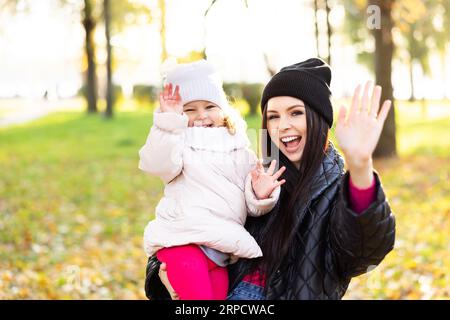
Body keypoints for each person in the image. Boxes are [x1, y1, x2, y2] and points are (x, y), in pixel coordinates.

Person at [145, 57, 396, 300]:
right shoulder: (256, 172)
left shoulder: (337, 191)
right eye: (273, 116)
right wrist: (161, 273)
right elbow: (192, 227)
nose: (282, 125)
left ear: (319, 118)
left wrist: (361, 166)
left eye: (295, 113)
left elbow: (363, 251)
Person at [138, 59, 286, 300]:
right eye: (190, 109)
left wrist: (259, 194)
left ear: (222, 107)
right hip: (183, 245)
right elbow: (157, 164)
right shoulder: (179, 141)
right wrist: (168, 124)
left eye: (209, 106)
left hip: (219, 253)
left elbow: (249, 206)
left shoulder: (239, 147)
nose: (201, 116)